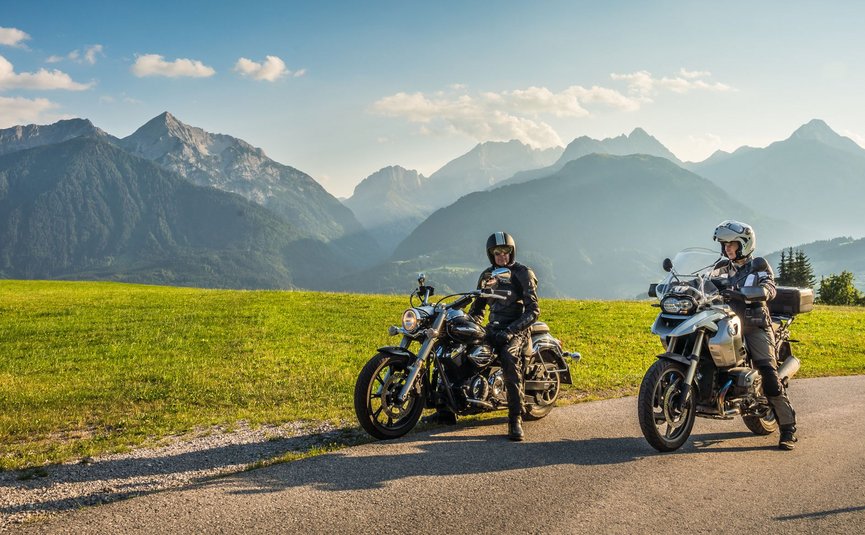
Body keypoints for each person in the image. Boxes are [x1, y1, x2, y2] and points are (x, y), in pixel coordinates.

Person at [712, 220, 798, 450]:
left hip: (754, 324)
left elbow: (770, 288)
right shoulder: (721, 266)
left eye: (732, 244)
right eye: (725, 244)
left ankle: (788, 428)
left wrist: (752, 292)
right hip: (726, 322)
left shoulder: (758, 265)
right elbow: (704, 283)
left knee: (769, 375)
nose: (727, 248)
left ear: (745, 244)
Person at [465, 231, 540, 441]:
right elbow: (478, 308)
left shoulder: (522, 273)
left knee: (508, 356)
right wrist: (469, 324)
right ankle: (447, 409)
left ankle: (515, 418)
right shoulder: (487, 275)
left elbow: (533, 310)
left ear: (512, 251)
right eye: (497, 252)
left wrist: (511, 331)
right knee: (464, 350)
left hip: (517, 329)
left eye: (505, 251)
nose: (502, 256)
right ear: (491, 254)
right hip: (493, 328)